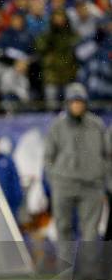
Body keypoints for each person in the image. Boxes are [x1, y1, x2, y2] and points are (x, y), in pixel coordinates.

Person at [44, 82, 107, 241]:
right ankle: (65, 266)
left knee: (90, 231)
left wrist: (101, 178)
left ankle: (88, 266)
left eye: (80, 102)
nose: (77, 106)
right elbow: (48, 157)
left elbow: (107, 154)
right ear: (67, 103)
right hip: (64, 185)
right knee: (63, 228)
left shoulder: (96, 125)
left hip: (91, 185)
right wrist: (55, 180)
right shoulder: (57, 126)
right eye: (74, 102)